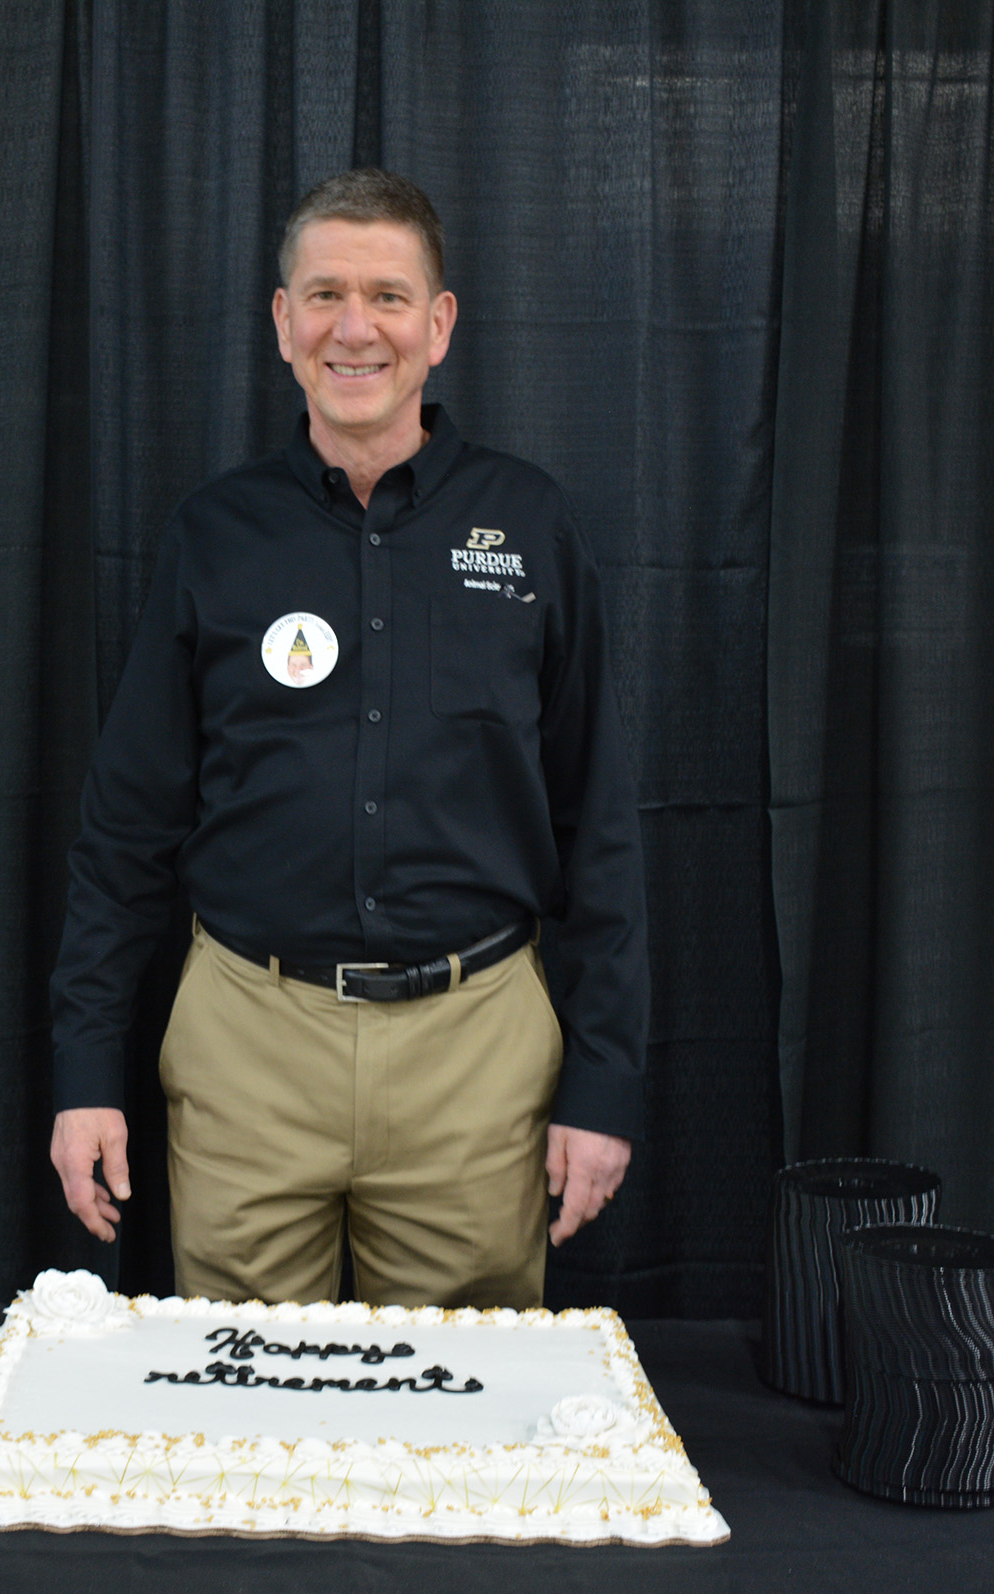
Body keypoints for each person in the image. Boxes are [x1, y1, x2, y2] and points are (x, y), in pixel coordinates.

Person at [47, 169, 647, 1309]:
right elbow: (123, 830)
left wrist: (604, 1083)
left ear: (439, 322)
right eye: (324, 294)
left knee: (452, 1431)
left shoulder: (530, 527)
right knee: (239, 1420)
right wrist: (85, 1071)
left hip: (475, 1052)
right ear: (282, 322)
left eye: (386, 295)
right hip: (246, 1044)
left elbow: (599, 828)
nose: (354, 327)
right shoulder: (214, 535)